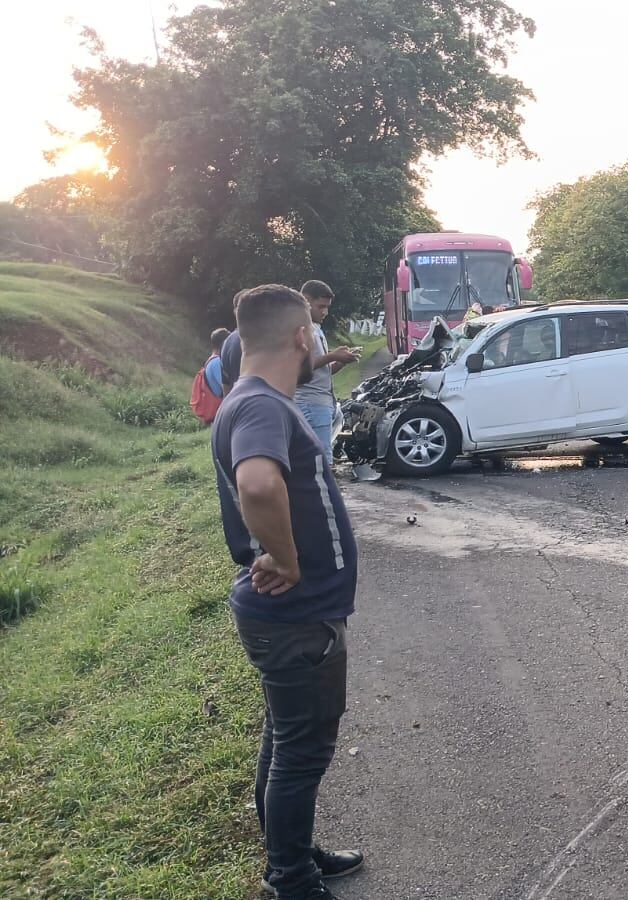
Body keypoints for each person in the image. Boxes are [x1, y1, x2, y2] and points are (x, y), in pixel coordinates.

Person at [212, 284, 363, 900]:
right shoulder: (263, 407)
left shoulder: (245, 400)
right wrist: (287, 558)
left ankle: (291, 852)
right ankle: (292, 878)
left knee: (285, 739)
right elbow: (257, 485)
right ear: (301, 337)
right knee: (302, 751)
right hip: (296, 615)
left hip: (287, 615)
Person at [295, 280, 361, 465]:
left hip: (322, 402)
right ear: (306, 301)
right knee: (322, 462)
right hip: (311, 404)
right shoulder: (302, 330)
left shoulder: (316, 329)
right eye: (321, 306)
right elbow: (300, 367)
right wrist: (332, 355)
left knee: (321, 458)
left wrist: (341, 361)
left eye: (327, 307)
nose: (325, 312)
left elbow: (321, 371)